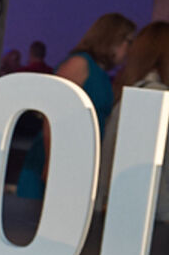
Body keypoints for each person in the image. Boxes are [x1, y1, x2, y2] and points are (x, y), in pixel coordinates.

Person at [15, 11, 134, 200]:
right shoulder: (80, 64)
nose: (129, 50)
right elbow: (53, 114)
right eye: (129, 41)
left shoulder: (102, 73)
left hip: (76, 160)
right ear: (114, 39)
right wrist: (51, 161)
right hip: (56, 159)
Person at [96, 20, 169, 222]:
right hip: (138, 219)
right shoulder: (153, 96)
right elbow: (146, 170)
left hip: (125, 213)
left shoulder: (138, 91)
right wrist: (167, 214)